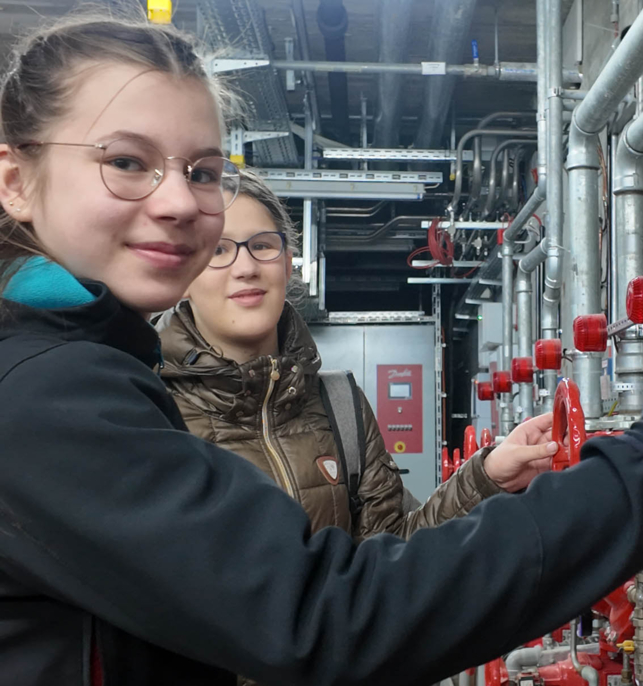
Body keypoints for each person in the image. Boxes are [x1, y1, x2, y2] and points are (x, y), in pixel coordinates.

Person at [0, 15, 643, 686]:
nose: (175, 203)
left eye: (202, 170)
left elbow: (380, 554)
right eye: (125, 162)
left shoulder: (107, 371)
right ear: (16, 180)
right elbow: (332, 616)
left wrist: (482, 481)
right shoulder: (47, 394)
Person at [157, 171, 510, 539]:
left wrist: (487, 476)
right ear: (183, 273)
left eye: (262, 246)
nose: (246, 268)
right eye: (217, 249)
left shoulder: (340, 405)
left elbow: (388, 554)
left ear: (286, 261)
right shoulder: (147, 409)